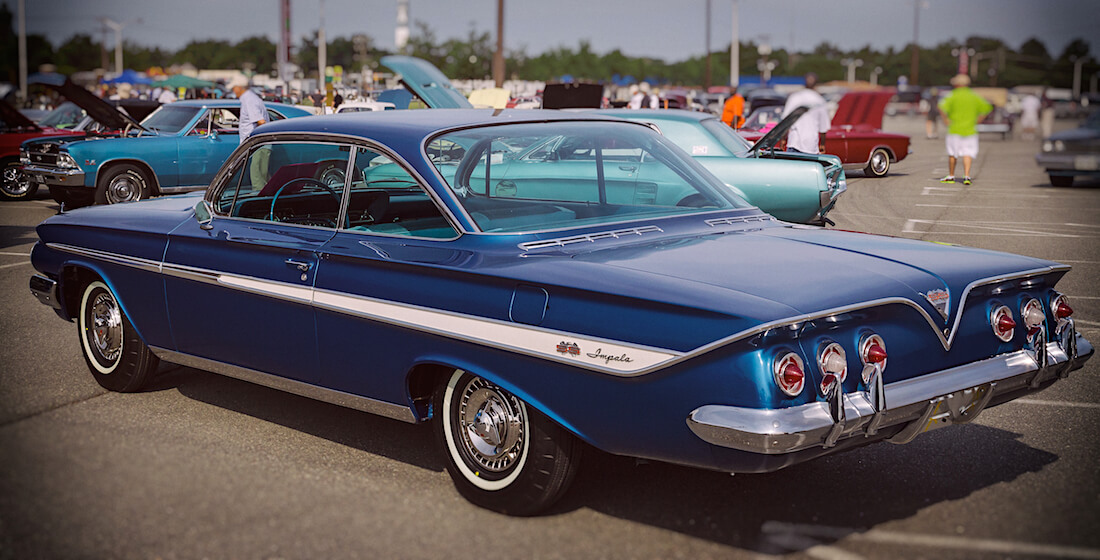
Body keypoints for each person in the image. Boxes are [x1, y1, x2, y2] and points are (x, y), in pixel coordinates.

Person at [938, 73, 991, 185]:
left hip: (955, 129)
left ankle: (951, 175)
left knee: (953, 153)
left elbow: (941, 106)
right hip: (970, 129)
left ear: (957, 84)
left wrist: (946, 119)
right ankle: (967, 176)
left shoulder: (953, 95)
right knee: (968, 153)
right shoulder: (973, 95)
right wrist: (979, 119)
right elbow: (987, 107)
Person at [781, 73, 831, 154]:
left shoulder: (794, 97)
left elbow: (785, 122)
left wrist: (783, 139)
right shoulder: (820, 101)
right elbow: (823, 128)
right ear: (816, 84)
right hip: (811, 145)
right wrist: (822, 144)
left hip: (794, 142)